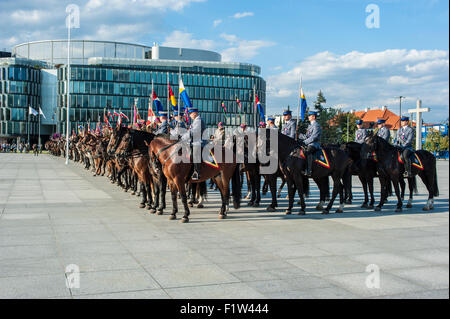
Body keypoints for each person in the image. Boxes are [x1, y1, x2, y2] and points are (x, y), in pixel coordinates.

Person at [181, 107, 206, 180]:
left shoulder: (199, 121)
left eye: (190, 113)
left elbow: (193, 132)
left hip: (199, 142)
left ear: (195, 113)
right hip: (193, 142)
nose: (190, 115)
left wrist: (183, 137)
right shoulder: (195, 121)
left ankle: (196, 172)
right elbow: (189, 132)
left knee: (195, 153)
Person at [298, 111, 321, 177]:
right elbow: (306, 136)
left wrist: (304, 142)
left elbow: (313, 137)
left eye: (309, 116)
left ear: (313, 117)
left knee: (307, 152)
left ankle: (308, 170)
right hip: (308, 143)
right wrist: (298, 135)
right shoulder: (310, 125)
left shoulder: (316, 125)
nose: (308, 117)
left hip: (314, 144)